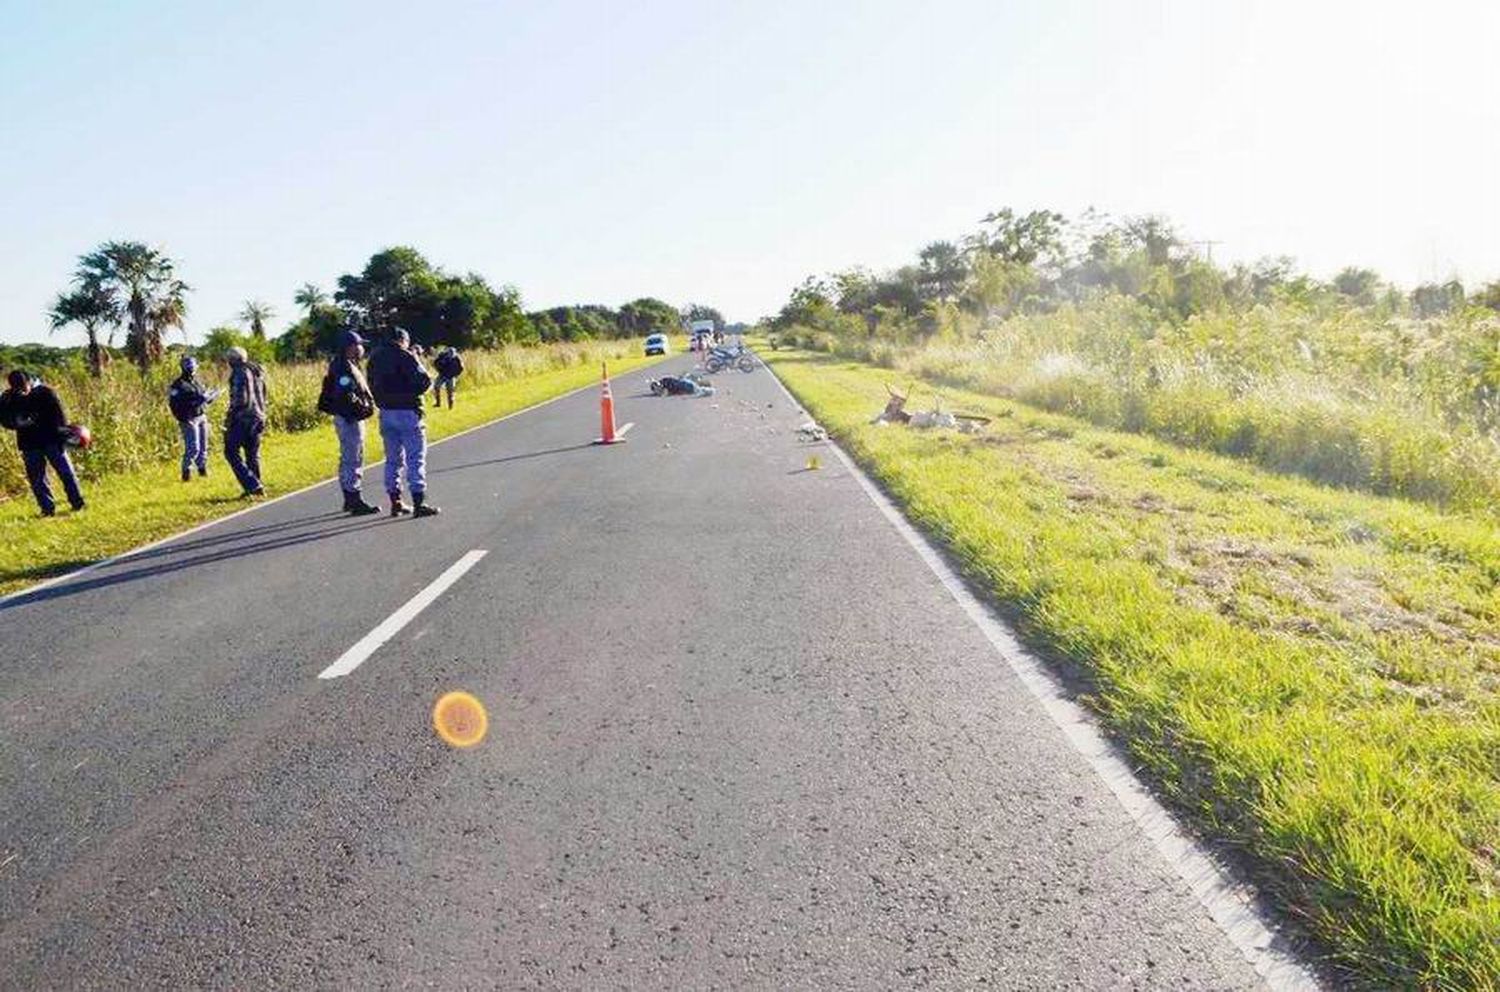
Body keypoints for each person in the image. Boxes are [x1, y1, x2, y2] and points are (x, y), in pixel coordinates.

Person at [367, 328, 440, 517]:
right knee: (415, 458)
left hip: (386, 411)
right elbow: (424, 382)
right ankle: (419, 502)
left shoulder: (374, 359)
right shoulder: (406, 356)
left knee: (392, 459)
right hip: (408, 411)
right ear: (402, 340)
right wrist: (416, 358)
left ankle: (395, 501)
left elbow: (371, 385)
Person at [0, 370, 85, 516]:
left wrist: (63, 436)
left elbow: (60, 417)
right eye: (17, 388)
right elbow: (4, 420)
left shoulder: (45, 392)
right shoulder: (8, 398)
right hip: (29, 444)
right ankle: (47, 509)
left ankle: (77, 503)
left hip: (52, 439)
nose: (21, 391)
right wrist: (17, 423)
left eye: (23, 387)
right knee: (37, 479)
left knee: (66, 474)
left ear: (29, 382)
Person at [317, 330, 380, 515]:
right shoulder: (342, 367)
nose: (361, 348)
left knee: (352, 456)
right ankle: (354, 498)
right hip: (349, 418)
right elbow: (345, 392)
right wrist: (361, 406)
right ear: (350, 347)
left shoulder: (348, 364)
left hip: (350, 417)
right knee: (352, 457)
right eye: (359, 345)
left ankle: (350, 498)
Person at [222, 346, 268, 498]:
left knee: (230, 452)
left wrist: (230, 416)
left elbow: (242, 399)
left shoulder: (239, 372)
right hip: (259, 415)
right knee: (252, 453)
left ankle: (252, 484)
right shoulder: (256, 371)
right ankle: (256, 485)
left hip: (243, 418)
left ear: (232, 360)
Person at [168, 355, 218, 481]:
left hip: (201, 416)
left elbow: (203, 398)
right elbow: (174, 404)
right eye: (187, 365)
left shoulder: (197, 382)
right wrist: (184, 417)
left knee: (203, 446)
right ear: (183, 367)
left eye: (192, 365)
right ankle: (186, 473)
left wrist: (209, 398)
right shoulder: (178, 384)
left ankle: (202, 470)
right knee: (193, 448)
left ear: (196, 366)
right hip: (188, 418)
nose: (191, 367)